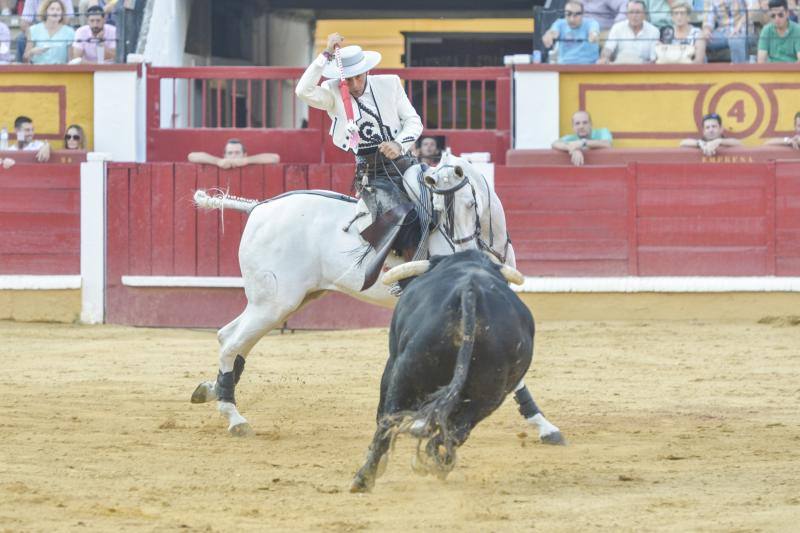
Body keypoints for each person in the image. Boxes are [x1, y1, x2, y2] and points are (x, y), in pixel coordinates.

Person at [23, 0, 75, 65]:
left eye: (58, 10)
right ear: (45, 12)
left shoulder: (69, 32)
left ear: (62, 13)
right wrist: (32, 52)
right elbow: (25, 58)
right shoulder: (33, 30)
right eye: (52, 9)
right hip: (38, 71)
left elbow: (71, 61)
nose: (55, 12)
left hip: (60, 72)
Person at [187, 139, 280, 168]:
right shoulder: (220, 161)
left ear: (244, 154)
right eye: (230, 153)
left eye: (237, 152)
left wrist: (247, 161)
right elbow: (191, 156)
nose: (234, 156)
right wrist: (217, 161)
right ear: (225, 155)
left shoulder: (246, 160)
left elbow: (275, 158)